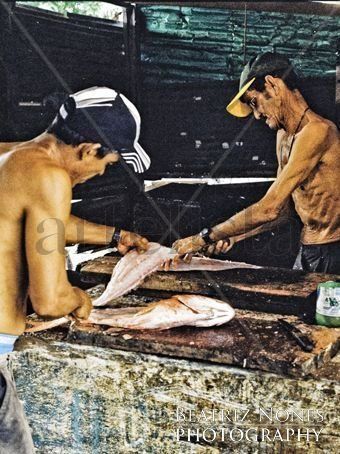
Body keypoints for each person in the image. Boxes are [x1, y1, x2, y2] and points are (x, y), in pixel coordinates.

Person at [0, 86, 150, 453]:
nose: (100, 174)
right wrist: (81, 300)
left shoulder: (11, 156)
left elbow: (39, 221)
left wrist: (113, 236)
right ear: (87, 150)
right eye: (107, 163)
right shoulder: (50, 176)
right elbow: (50, 301)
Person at [172, 52, 340, 274]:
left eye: (254, 102)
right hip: (308, 249)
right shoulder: (284, 137)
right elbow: (282, 211)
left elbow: (268, 208)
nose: (257, 115)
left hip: (333, 252)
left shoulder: (319, 131)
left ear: (272, 85)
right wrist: (235, 235)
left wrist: (201, 238)